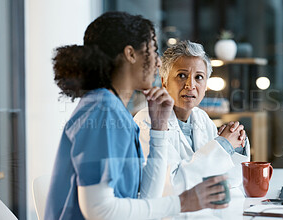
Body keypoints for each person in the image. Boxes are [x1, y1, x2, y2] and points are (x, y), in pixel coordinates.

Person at [45, 12, 229, 220]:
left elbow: (148, 197)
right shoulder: (102, 111)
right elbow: (98, 211)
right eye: (153, 50)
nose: (159, 63)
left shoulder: (117, 112)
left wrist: (159, 129)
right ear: (131, 54)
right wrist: (183, 202)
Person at [134, 40, 250, 197]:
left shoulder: (202, 119)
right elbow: (171, 187)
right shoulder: (147, 121)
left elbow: (231, 180)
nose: (190, 85)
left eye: (199, 77)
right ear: (164, 81)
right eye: (182, 75)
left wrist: (234, 145)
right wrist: (222, 145)